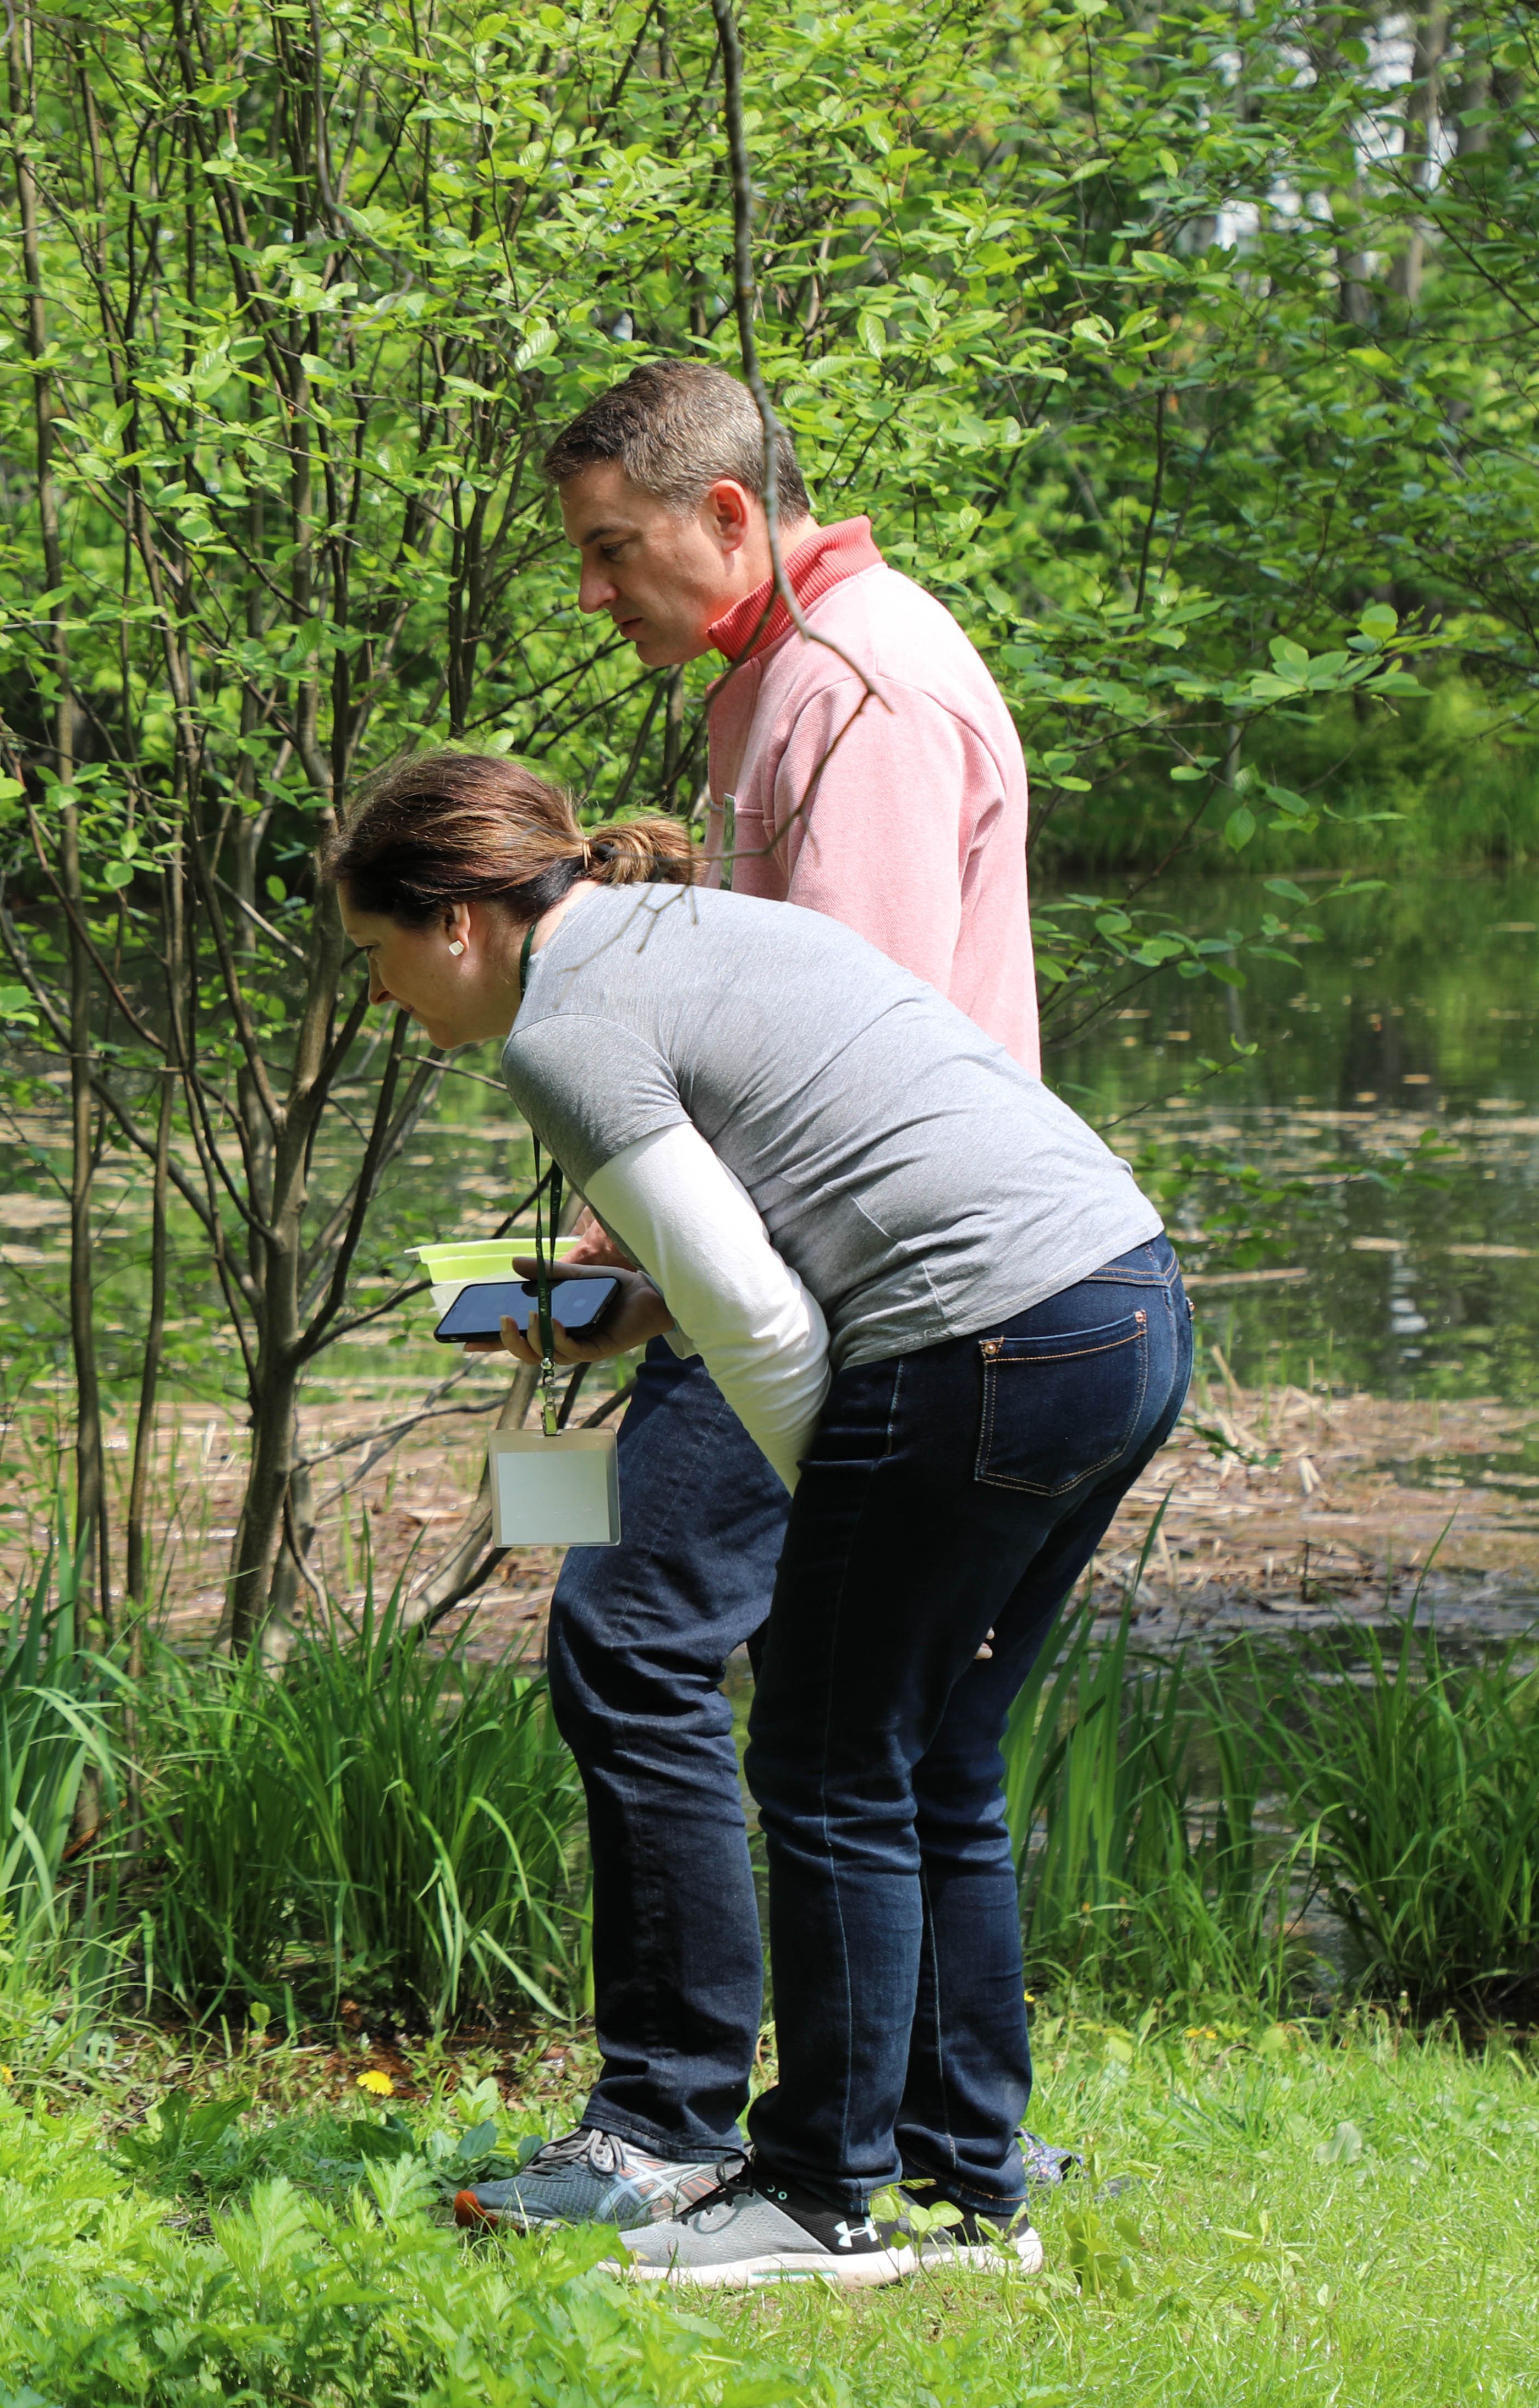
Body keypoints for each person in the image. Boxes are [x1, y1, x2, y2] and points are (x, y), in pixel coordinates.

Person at [332, 752, 1190, 2286]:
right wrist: (640, 1311)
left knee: (824, 1751)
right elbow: (762, 1247)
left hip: (979, 1338)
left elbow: (769, 1334)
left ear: (455, 920)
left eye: (380, 960)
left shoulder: (562, 1028)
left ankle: (820, 2195)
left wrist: (849, 1541)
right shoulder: (681, 925)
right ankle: (969, 2170)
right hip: (1121, 1299)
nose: (391, 999)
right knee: (936, 1748)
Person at [473, 360, 1054, 2236]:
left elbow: (838, 1061)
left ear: (729, 514)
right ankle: (957, 2140)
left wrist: (660, 1270)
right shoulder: (787, 676)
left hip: (849, 1280)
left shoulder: (854, 693)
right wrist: (618, 1251)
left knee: (636, 1646)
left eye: (610, 549)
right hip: (844, 1271)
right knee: (902, 1731)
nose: (592, 593)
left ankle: (671, 2120)